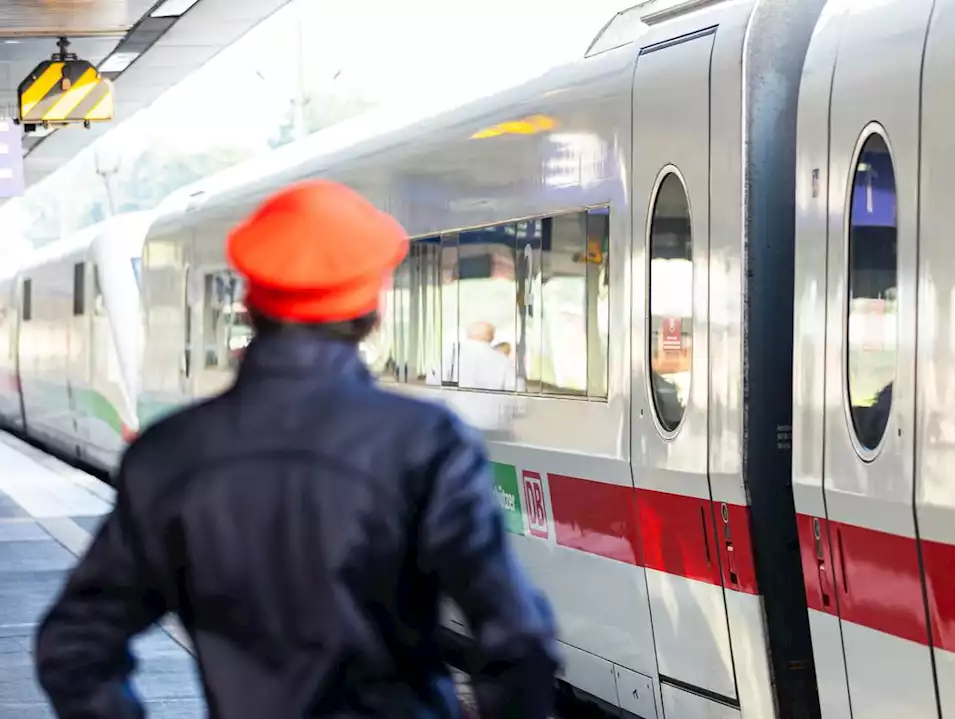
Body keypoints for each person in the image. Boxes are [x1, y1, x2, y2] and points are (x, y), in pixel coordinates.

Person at [34, 179, 561, 718]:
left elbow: (74, 646)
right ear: (372, 309)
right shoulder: (426, 443)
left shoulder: (170, 453)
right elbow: (518, 637)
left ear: (249, 304)